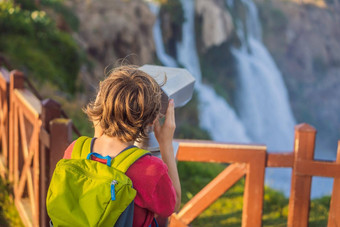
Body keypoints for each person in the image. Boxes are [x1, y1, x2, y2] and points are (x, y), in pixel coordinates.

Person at [62, 65, 181, 227]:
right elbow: (172, 206)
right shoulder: (150, 169)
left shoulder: (75, 149)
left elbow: (96, 173)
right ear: (152, 120)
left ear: (101, 105)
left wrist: (98, 133)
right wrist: (166, 145)